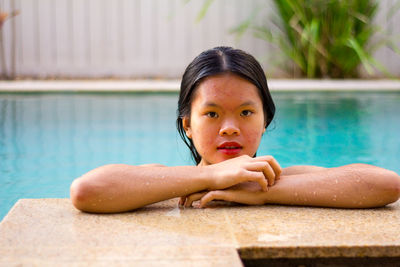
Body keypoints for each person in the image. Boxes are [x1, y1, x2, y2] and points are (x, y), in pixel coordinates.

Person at [70, 46, 400, 213]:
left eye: (245, 112)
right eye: (211, 114)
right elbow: (87, 190)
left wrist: (264, 192)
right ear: (187, 125)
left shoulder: (284, 179)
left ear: (265, 120)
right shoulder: (165, 182)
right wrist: (212, 177)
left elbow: (386, 185)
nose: (229, 128)